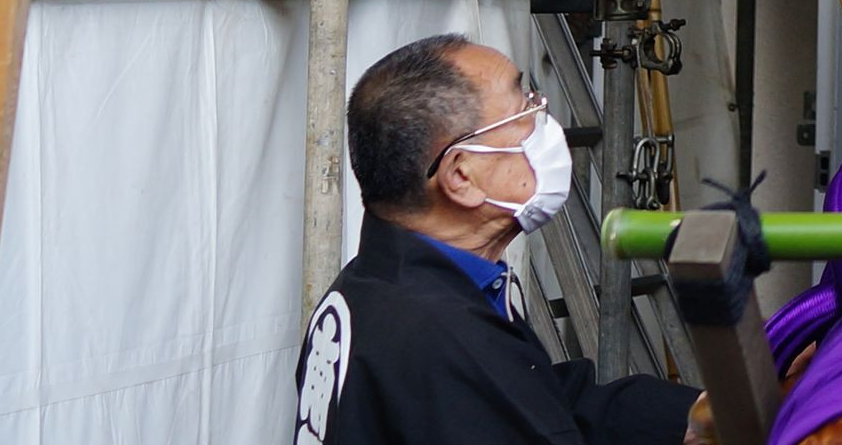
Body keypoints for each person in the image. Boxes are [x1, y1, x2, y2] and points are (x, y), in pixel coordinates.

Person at [298, 34, 707, 445]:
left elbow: (540, 398)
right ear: (462, 176)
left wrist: (695, 415)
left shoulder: (390, 283)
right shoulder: (439, 335)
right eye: (524, 110)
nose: (543, 120)